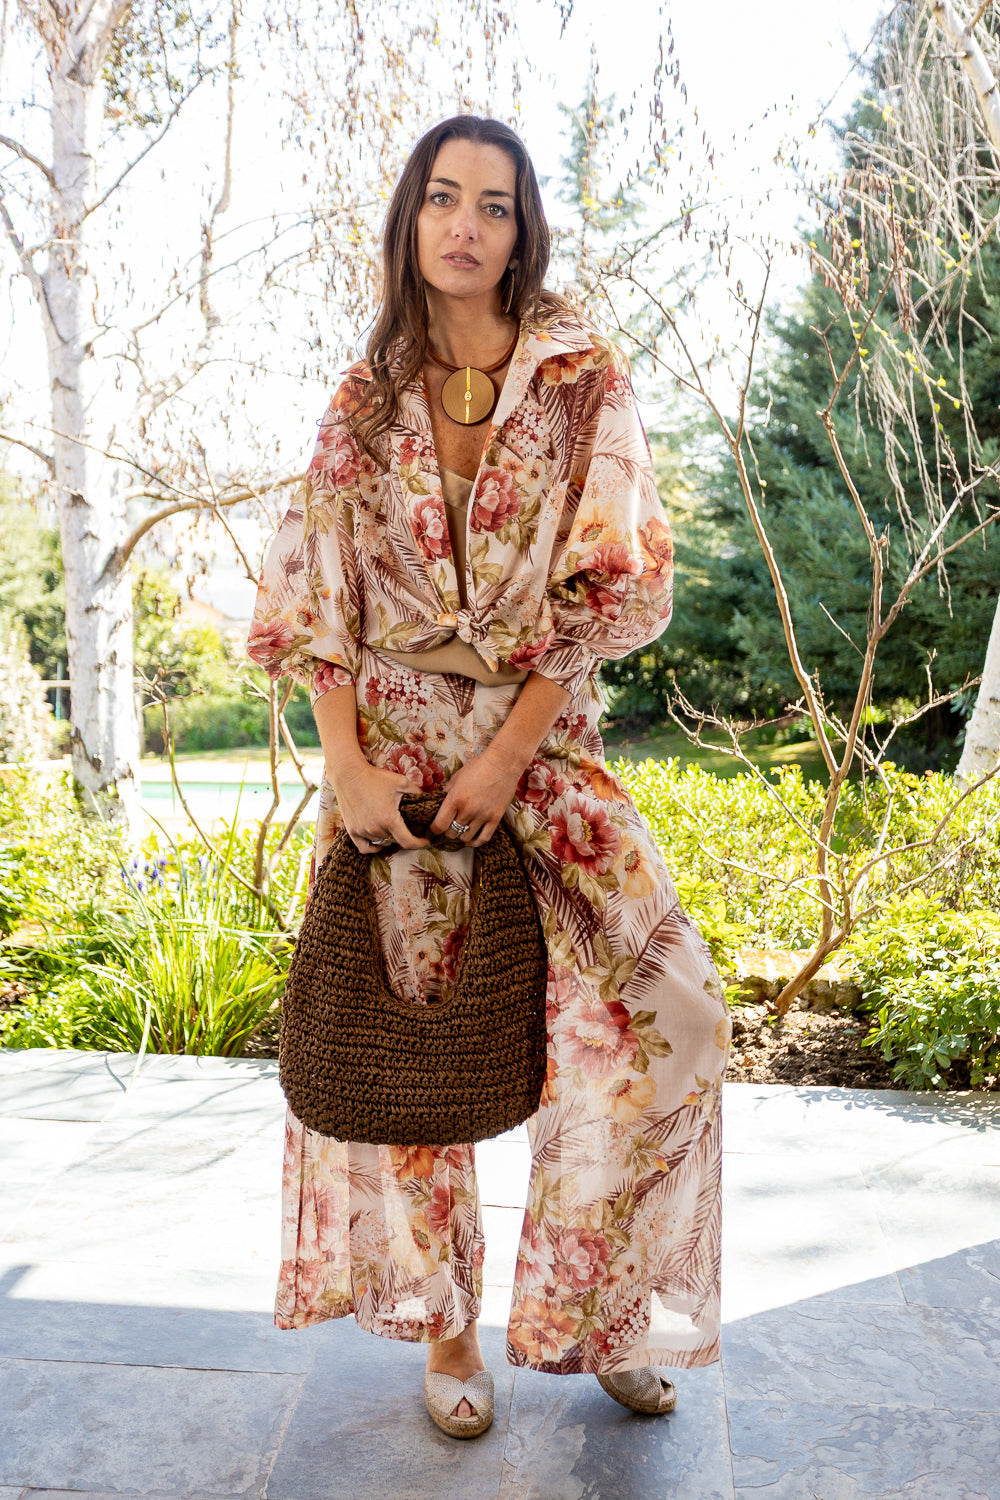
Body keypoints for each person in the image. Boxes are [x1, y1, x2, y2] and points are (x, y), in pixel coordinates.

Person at [248, 114, 731, 1440]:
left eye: (495, 204)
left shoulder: (580, 380)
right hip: (394, 751)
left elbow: (610, 584)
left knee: (664, 1012)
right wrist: (347, 769)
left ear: (525, 231)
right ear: (411, 218)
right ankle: (450, 1327)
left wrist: (514, 754)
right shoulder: (365, 396)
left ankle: (594, 1307)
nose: (465, 225)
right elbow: (314, 595)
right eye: (444, 198)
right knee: (418, 1052)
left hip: (538, 737)